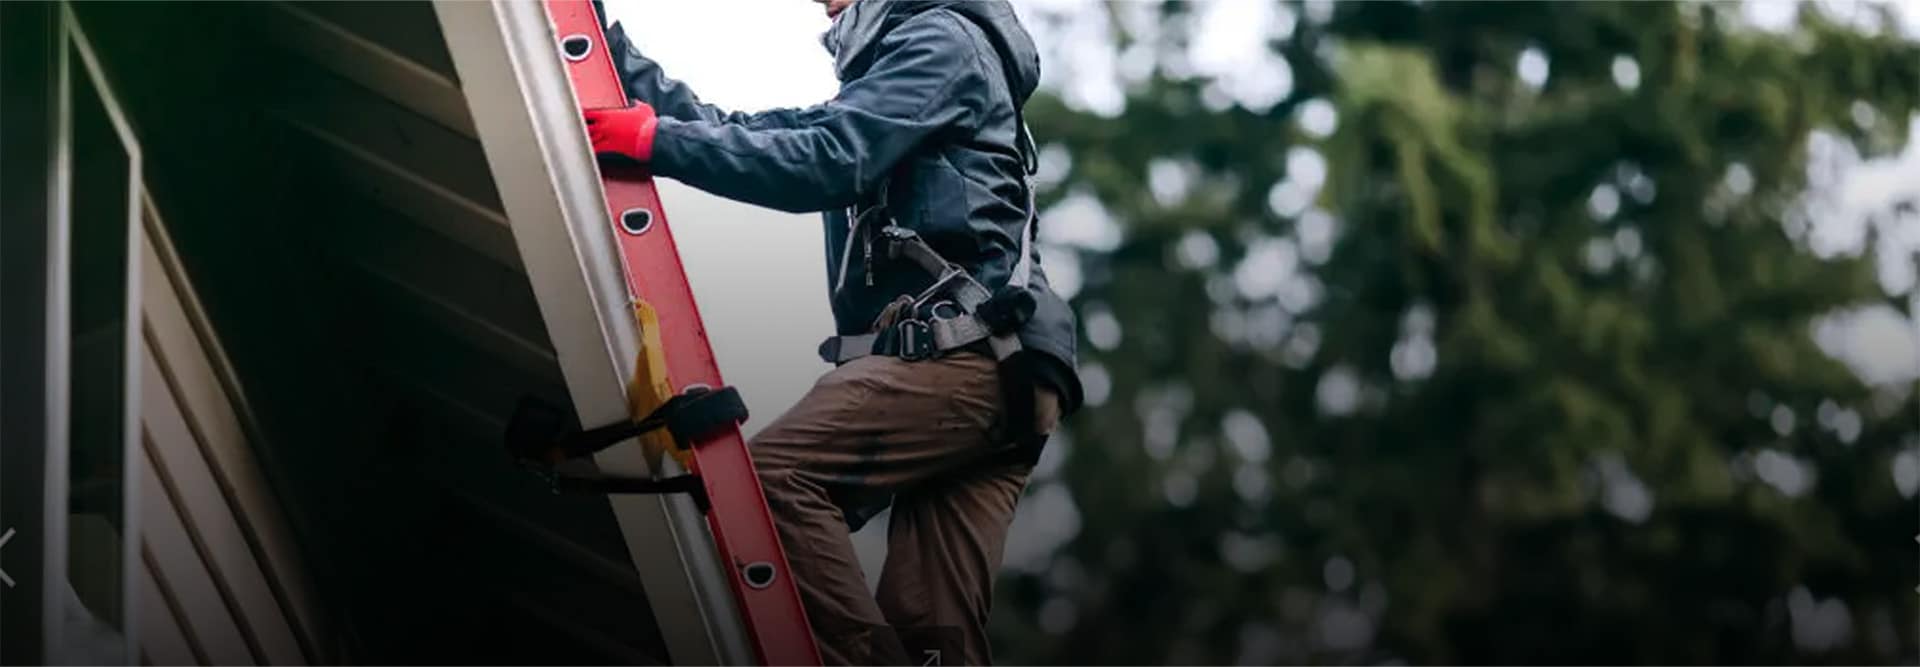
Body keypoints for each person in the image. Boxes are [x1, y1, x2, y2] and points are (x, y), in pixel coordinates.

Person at [583, 0, 1083, 664]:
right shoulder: (911, 66)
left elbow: (822, 160)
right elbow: (755, 132)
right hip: (1007, 373)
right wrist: (602, 48)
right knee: (932, 631)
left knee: (766, 484)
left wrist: (656, 144)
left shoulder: (941, 41)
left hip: (964, 356)